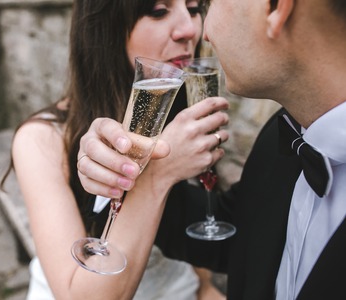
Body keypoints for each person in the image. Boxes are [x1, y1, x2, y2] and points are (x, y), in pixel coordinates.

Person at [76, 0, 346, 299]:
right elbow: (235, 237)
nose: (199, 31)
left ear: (276, 7)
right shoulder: (284, 133)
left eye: (210, 2)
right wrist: (135, 170)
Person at [6, 0, 230, 299]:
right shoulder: (42, 139)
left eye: (192, 9)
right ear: (105, 30)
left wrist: (204, 285)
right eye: (159, 11)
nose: (189, 29)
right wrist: (158, 174)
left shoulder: (180, 112)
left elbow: (193, 213)